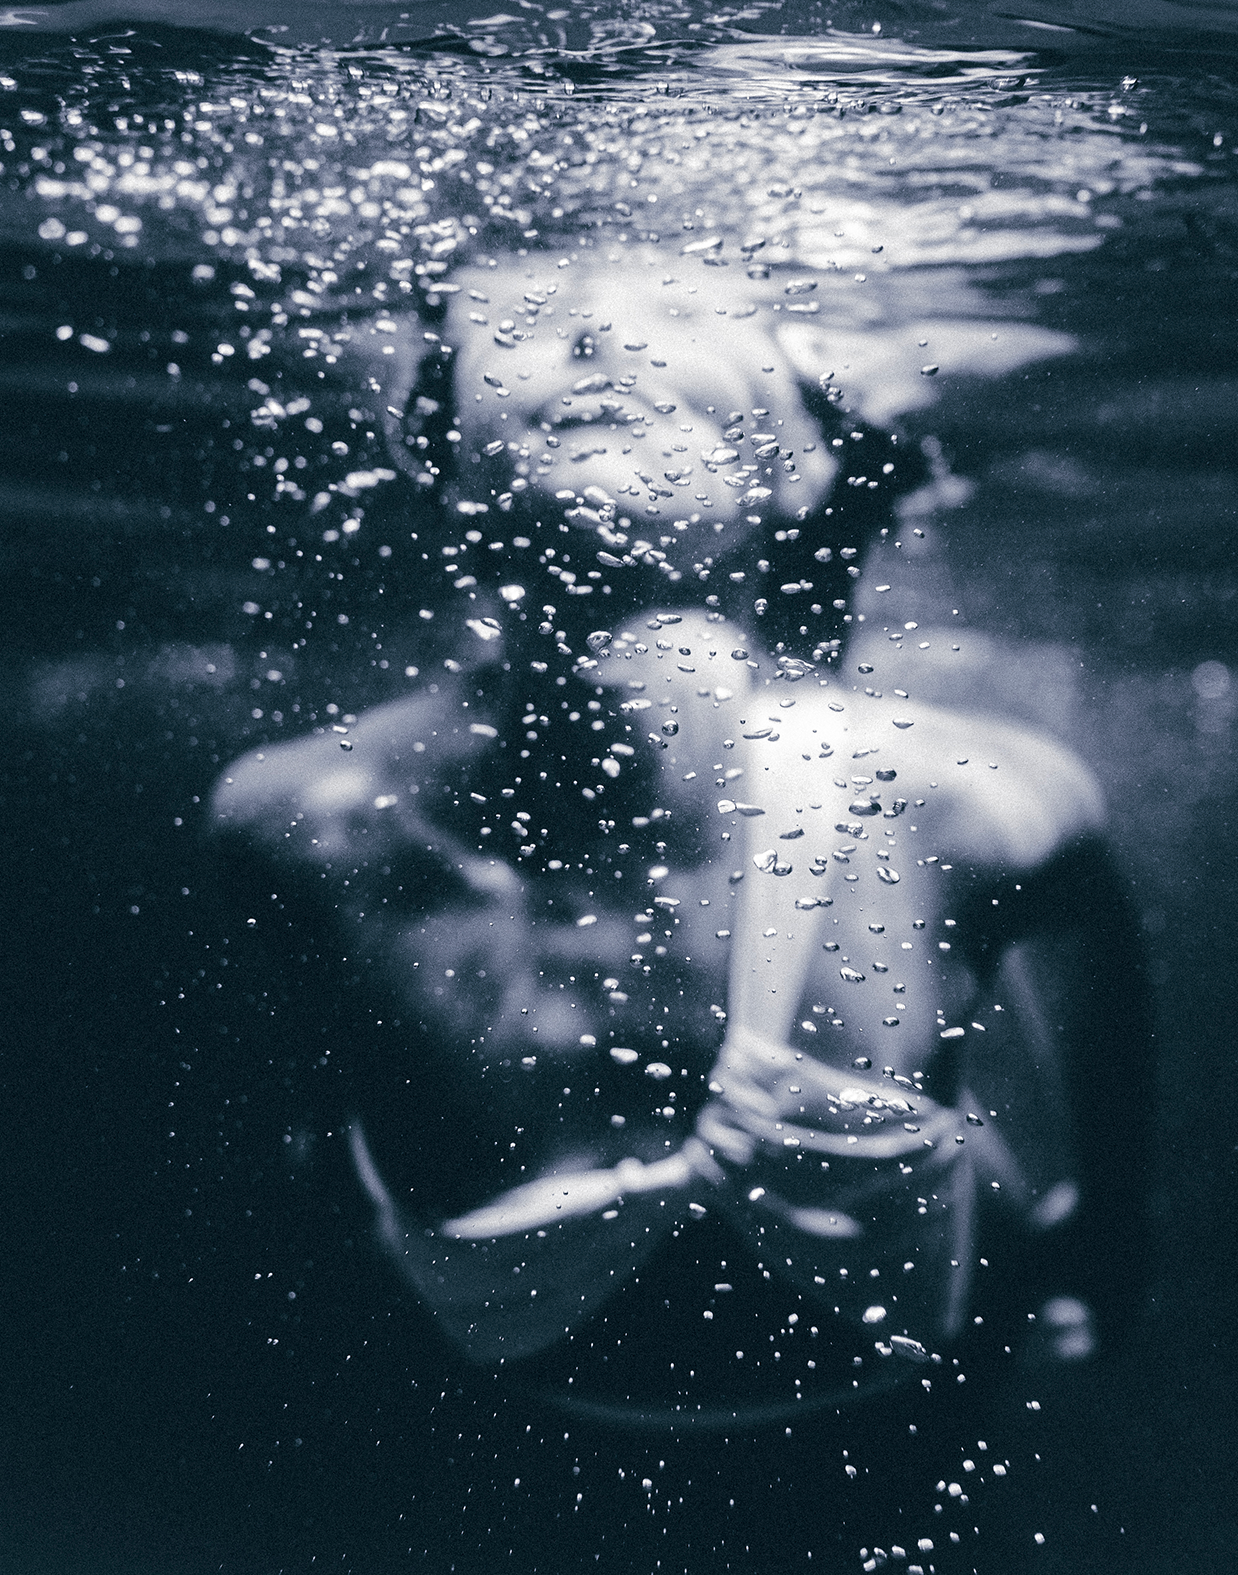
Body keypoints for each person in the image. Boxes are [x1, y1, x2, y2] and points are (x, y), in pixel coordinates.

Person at [211, 251, 1150, 1424]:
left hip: (906, 1395)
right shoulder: (304, 824)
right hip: (527, 1432)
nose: (601, 328)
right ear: (439, 457)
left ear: (799, 464)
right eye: (533, 313)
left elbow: (1110, 1117)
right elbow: (301, 1150)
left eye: (682, 308)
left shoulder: (972, 803)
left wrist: (1111, 1236)